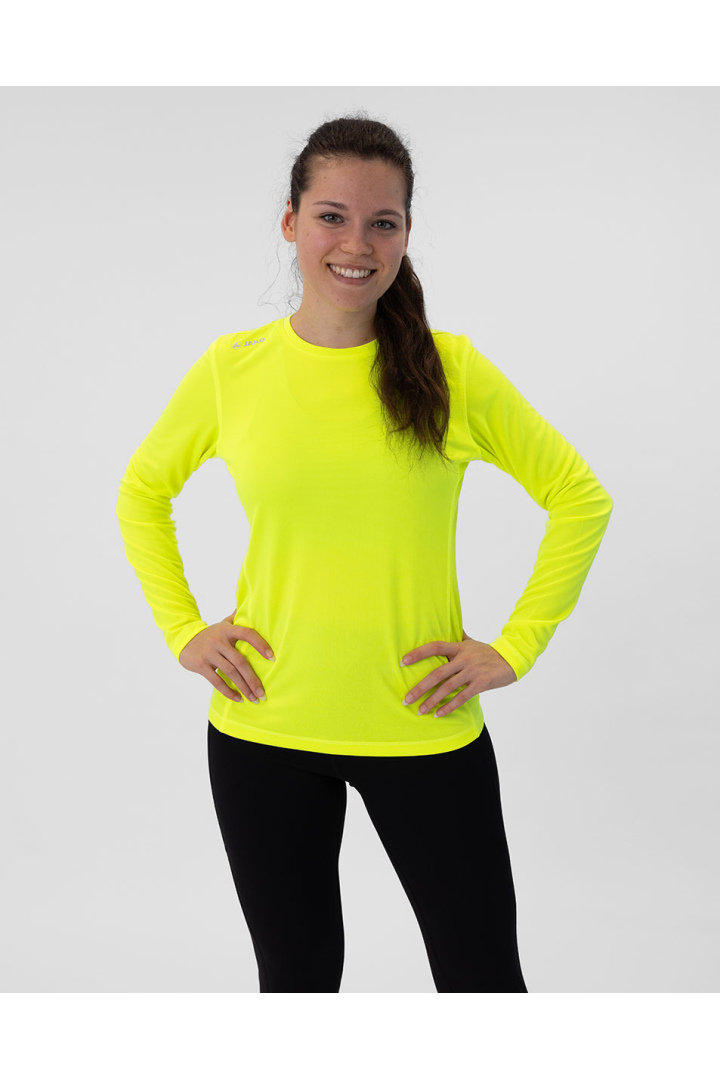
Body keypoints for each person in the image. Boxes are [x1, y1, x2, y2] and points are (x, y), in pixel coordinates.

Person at [116, 112, 613, 993]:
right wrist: (184, 631)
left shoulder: (451, 371)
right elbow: (142, 492)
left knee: (483, 980)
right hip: (264, 727)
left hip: (422, 727)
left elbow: (580, 496)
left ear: (407, 235)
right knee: (297, 982)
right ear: (290, 222)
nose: (356, 244)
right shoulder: (233, 371)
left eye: (383, 222)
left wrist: (515, 647)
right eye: (331, 217)